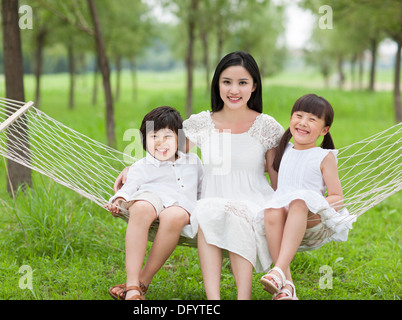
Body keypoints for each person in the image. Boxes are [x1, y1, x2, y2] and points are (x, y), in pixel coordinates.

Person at [115, 51, 284, 299]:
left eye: (242, 82)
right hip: (210, 201)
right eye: (226, 82)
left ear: (254, 86)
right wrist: (133, 168)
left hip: (254, 200)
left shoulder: (267, 126)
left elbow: (277, 177)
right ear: (217, 84)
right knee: (210, 213)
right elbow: (166, 153)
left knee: (237, 216)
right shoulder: (202, 123)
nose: (233, 90)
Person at [259, 94, 356, 300]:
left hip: (311, 216)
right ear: (291, 118)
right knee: (272, 210)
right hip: (282, 215)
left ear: (324, 130)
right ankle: (287, 287)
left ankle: (277, 271)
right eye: (299, 116)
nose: (303, 123)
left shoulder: (324, 156)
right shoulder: (282, 151)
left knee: (299, 202)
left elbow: (337, 197)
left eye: (312, 119)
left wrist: (316, 204)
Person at [105, 106, 203, 300]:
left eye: (168, 136)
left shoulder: (194, 162)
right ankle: (132, 283)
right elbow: (128, 188)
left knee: (174, 215)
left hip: (181, 208)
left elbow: (203, 191)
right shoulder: (142, 166)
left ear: (180, 138)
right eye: (154, 136)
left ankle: (143, 281)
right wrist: (118, 200)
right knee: (141, 207)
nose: (160, 142)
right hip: (151, 199)